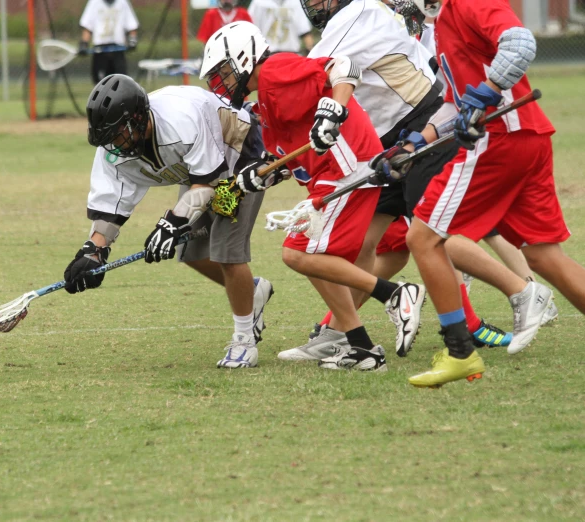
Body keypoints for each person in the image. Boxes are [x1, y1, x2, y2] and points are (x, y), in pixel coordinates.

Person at [298, 0, 541, 358]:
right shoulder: (353, 17)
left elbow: (311, 73)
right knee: (366, 242)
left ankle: (519, 292)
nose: (314, 4)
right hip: (392, 139)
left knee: (431, 233)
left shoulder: (357, 11)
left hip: (421, 123)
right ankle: (339, 330)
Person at [200, 21, 428, 371]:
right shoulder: (266, 102)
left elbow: (345, 66)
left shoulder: (275, 70)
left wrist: (332, 111)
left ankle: (394, 294)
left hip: (347, 167)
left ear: (243, 58)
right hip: (329, 175)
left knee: (296, 253)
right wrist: (259, 175)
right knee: (318, 259)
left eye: (224, 71)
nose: (222, 81)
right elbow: (289, 158)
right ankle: (361, 348)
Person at [381, 0, 585, 387]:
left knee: (422, 238)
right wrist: (412, 144)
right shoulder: (440, 20)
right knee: (543, 255)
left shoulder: (468, 2)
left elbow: (520, 44)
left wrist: (485, 95)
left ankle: (460, 352)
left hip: (502, 139)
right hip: (525, 138)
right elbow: (454, 104)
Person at [64, 74, 280, 369]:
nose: (114, 144)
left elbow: (207, 182)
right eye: (108, 137)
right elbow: (110, 209)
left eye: (118, 133)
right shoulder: (112, 149)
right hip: (198, 171)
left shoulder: (181, 121)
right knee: (191, 253)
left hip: (239, 152)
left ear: (140, 119)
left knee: (227, 252)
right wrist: (93, 251)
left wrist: (171, 223)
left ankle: (244, 340)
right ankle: (251, 292)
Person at [78, 0, 140, 84]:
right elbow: (88, 26)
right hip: (100, 50)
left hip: (117, 50)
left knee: (121, 82)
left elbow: (131, 25)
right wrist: (84, 43)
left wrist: (132, 40)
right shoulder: (94, 2)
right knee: (100, 82)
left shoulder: (122, 2)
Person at [248, 0, 315, 54]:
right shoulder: (258, 3)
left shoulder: (295, 2)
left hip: (291, 53)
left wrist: (311, 51)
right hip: (267, 54)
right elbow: (250, 29)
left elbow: (305, 31)